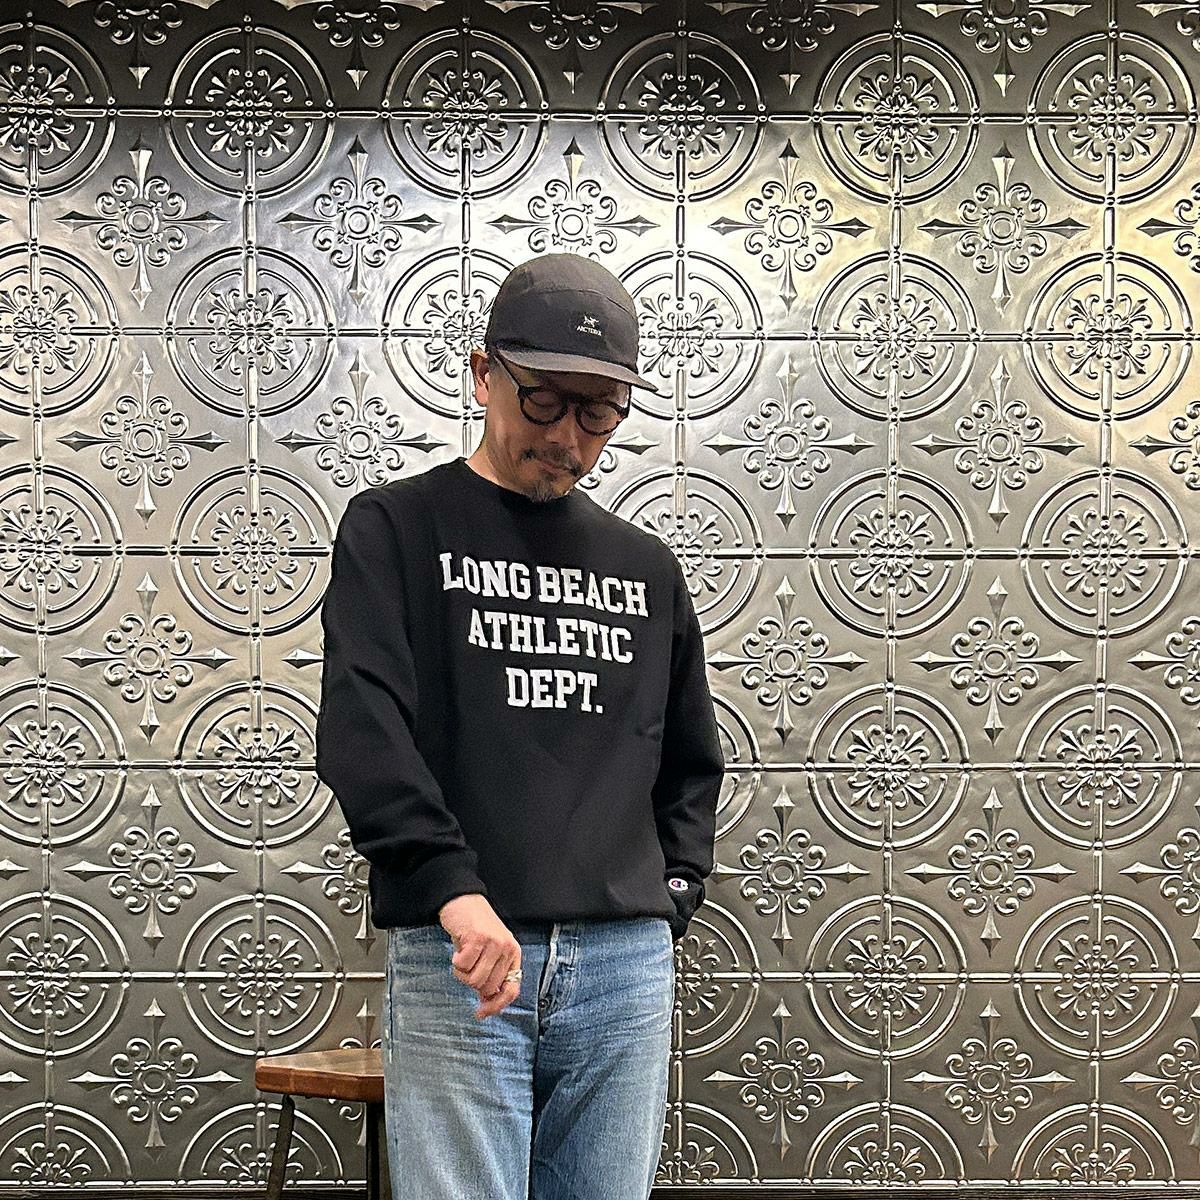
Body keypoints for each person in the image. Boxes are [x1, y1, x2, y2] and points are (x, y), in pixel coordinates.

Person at [315, 252, 724, 1200]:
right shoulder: (396, 528)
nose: (568, 437)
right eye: (543, 401)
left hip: (623, 962)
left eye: (599, 413)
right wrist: (451, 891)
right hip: (460, 954)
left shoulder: (645, 566)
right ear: (483, 372)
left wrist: (670, 896)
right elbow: (364, 729)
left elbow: (689, 757)